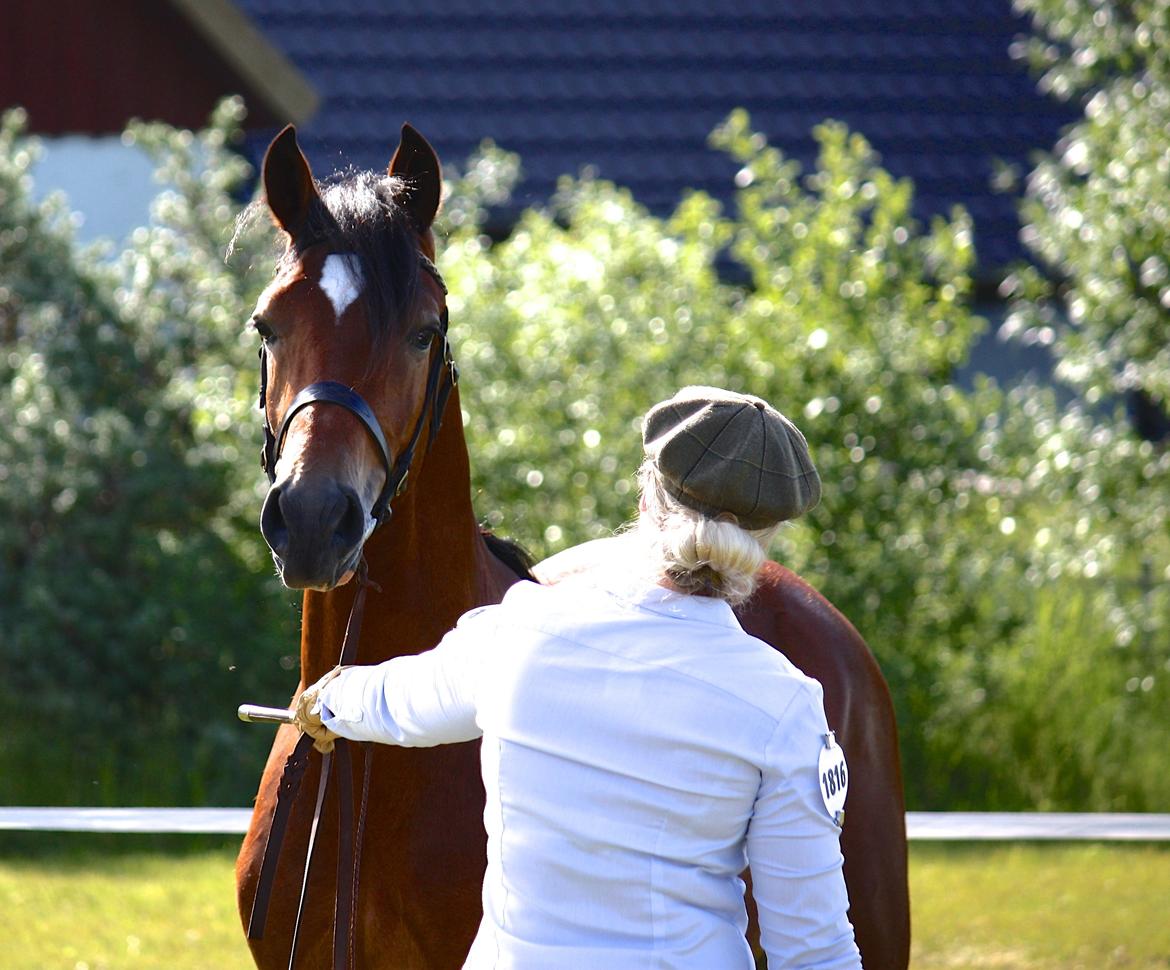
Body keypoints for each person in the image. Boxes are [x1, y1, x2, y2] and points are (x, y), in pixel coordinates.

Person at [295, 385, 861, 969]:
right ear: (763, 541)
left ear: (646, 501)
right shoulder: (783, 705)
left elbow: (405, 700)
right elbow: (814, 950)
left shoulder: (521, 629)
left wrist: (330, 700)